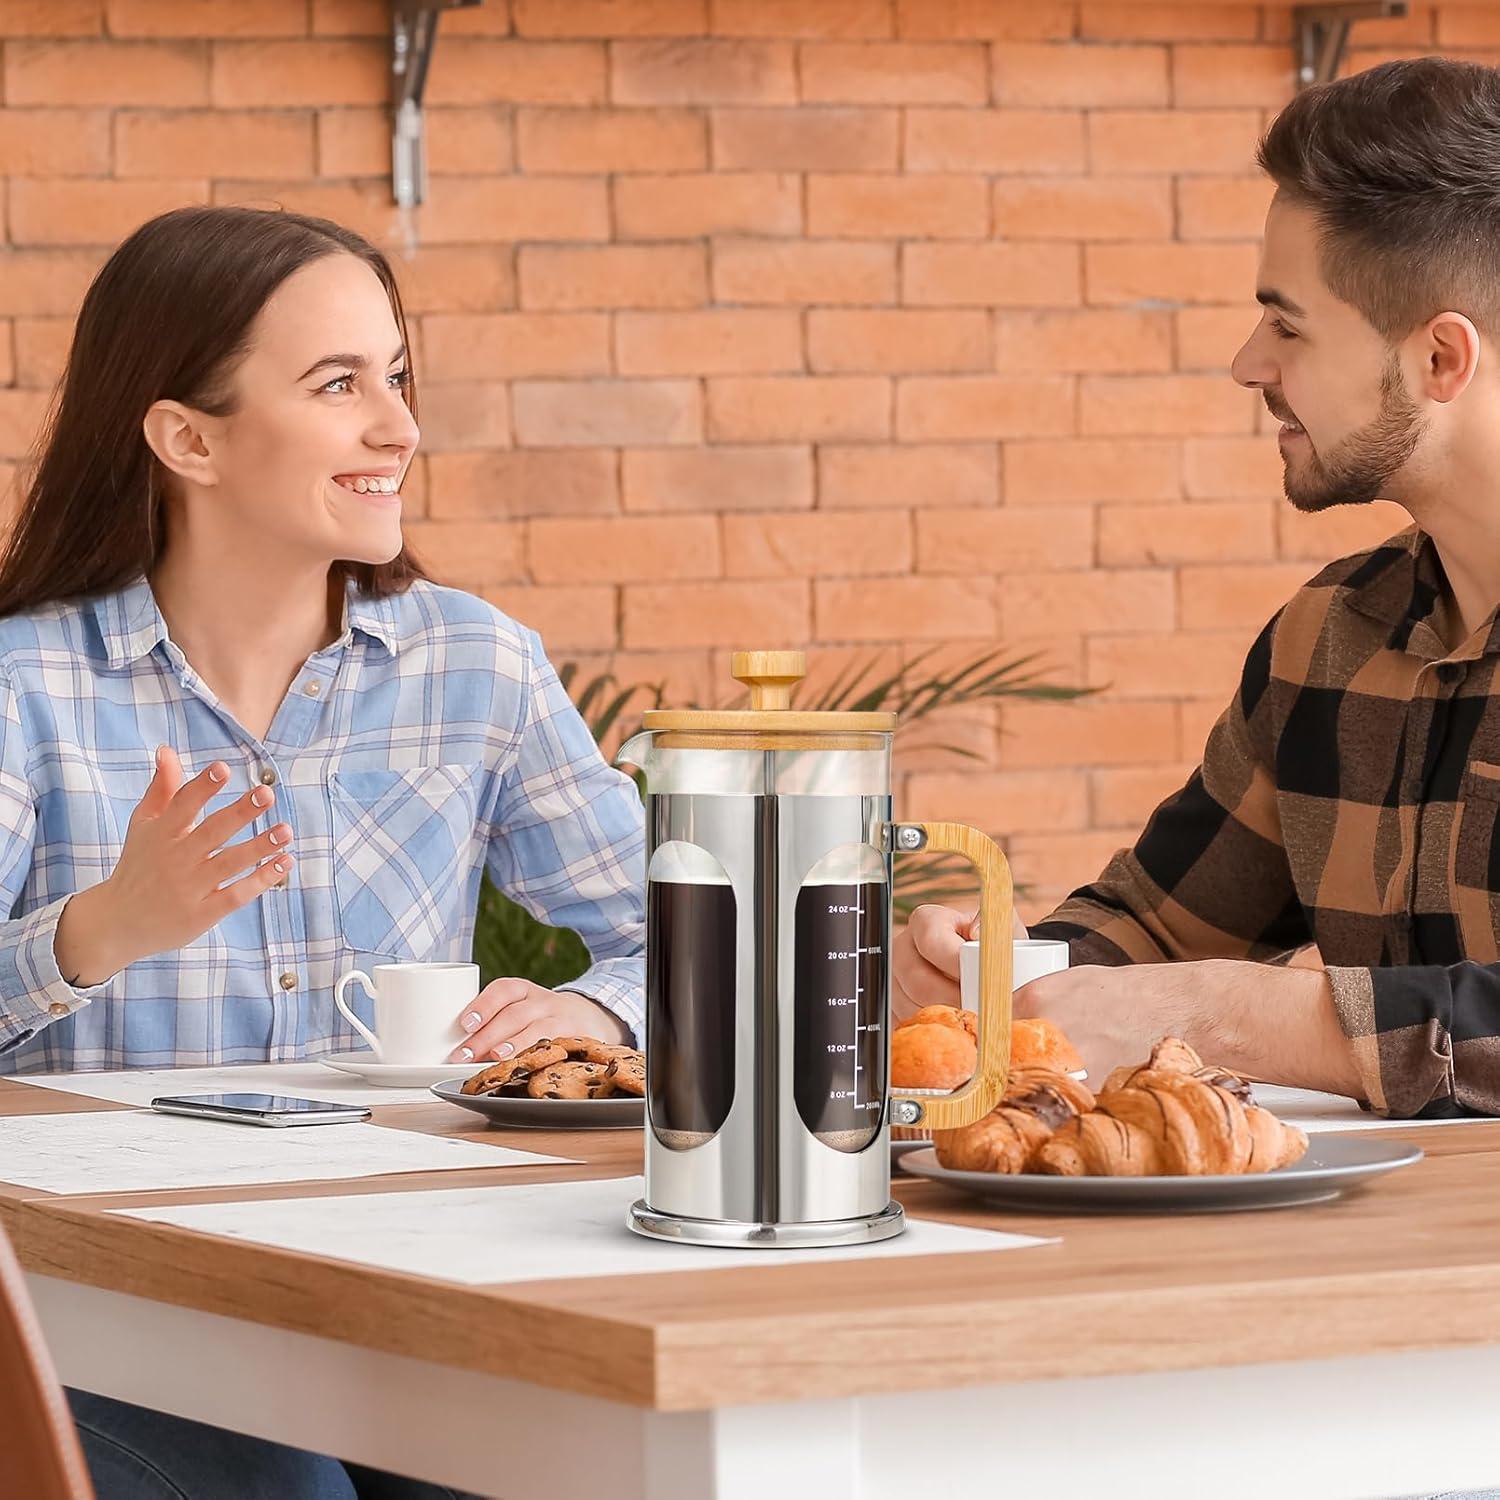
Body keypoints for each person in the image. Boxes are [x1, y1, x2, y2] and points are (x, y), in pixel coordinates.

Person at [0, 204, 645, 1496]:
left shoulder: (476, 668)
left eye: (396, 377)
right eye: (339, 384)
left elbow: (699, 938)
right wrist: (104, 929)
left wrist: (587, 1008)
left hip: (425, 1307)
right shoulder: (27, 690)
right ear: (187, 437)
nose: (400, 427)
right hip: (119, 1332)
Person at [894, 57, 1500, 1122]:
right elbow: (1162, 929)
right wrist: (1005, 974)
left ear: (1441, 358)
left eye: (1289, 324)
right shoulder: (1331, 638)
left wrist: (1233, 1013)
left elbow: (1198, 987)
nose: (1246, 363)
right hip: (1365, 1277)